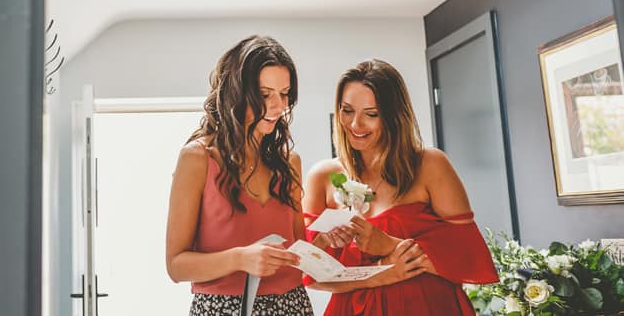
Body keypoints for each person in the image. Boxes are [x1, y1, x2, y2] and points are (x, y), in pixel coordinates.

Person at [303, 59, 498, 315]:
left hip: (428, 306)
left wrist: (387, 245)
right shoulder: (322, 176)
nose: (355, 125)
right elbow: (311, 275)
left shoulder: (431, 165)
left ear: (394, 116)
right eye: (347, 110)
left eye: (371, 114)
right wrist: (378, 276)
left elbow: (468, 258)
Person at [165, 35, 315, 315]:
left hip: (292, 305)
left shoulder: (289, 162)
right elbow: (176, 265)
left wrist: (323, 245)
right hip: (222, 309)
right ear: (237, 92)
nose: (278, 105)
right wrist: (241, 258)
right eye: (264, 94)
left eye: (284, 94)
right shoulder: (198, 158)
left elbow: (296, 249)